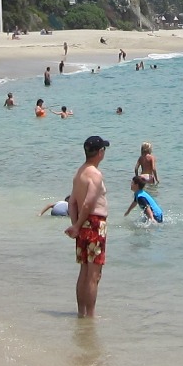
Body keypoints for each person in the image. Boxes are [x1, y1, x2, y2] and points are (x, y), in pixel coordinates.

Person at [66, 136, 110, 318]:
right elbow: (88, 204)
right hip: (94, 223)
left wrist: (76, 225)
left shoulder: (79, 173)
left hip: (83, 224)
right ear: (100, 153)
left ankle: (81, 313)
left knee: (84, 270)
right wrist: (77, 225)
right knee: (94, 274)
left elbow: (72, 203)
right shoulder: (95, 174)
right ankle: (90, 316)